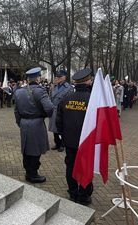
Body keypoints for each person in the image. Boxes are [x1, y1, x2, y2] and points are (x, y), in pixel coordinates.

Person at [56, 68, 93, 205]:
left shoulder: (66, 98)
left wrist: (63, 137)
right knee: (85, 167)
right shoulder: (92, 100)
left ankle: (73, 192)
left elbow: (58, 121)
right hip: (86, 142)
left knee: (70, 167)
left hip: (69, 141)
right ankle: (84, 195)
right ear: (88, 81)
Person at [14, 67, 53, 183]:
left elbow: (16, 111)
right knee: (35, 150)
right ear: (37, 78)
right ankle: (33, 174)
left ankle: (28, 172)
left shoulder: (19, 91)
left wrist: (20, 122)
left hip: (24, 123)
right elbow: (50, 108)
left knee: (26, 150)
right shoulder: (40, 91)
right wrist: (44, 115)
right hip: (36, 123)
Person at [49, 70, 74, 152]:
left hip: (63, 111)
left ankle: (62, 144)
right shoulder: (54, 87)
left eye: (60, 77)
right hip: (54, 110)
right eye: (57, 77)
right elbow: (50, 98)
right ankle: (57, 143)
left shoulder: (69, 88)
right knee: (54, 129)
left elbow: (68, 101)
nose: (58, 78)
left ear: (64, 77)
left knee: (61, 129)